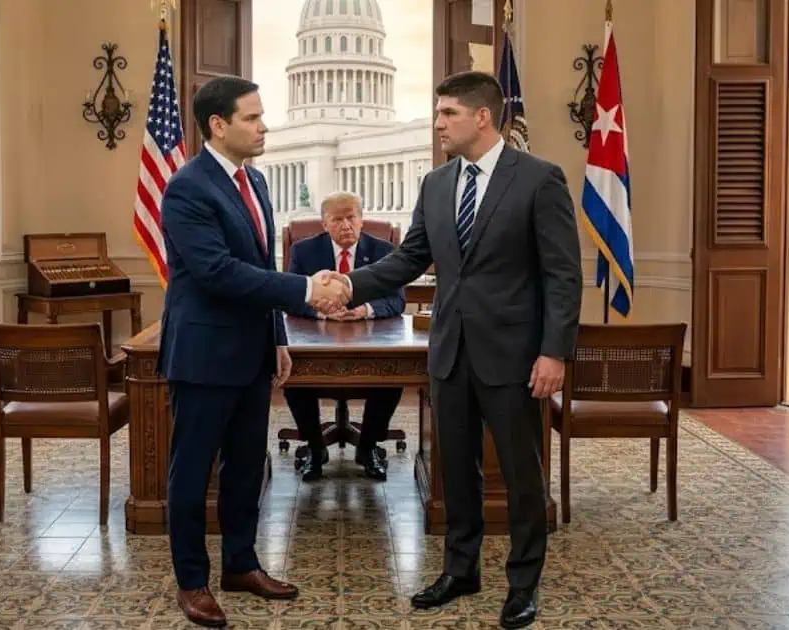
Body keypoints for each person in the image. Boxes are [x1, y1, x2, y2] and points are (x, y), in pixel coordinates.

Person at [318, 71, 581, 629]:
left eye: (447, 114)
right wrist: (349, 285)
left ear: (481, 116)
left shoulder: (539, 179)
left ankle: (523, 584)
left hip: (514, 357)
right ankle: (461, 571)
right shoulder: (436, 184)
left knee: (521, 475)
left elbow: (563, 275)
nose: (437, 124)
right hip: (450, 353)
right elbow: (408, 258)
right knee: (456, 472)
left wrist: (554, 352)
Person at [157, 75, 349, 628]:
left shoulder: (256, 181)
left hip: (252, 352)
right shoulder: (188, 188)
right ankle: (192, 581)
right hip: (204, 355)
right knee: (193, 472)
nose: (264, 126)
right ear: (218, 125)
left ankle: (241, 564)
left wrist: (278, 338)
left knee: (246, 467)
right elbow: (217, 272)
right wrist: (307, 289)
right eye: (252, 117)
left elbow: (262, 268)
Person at [283, 191, 405, 482]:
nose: (346, 225)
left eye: (352, 217)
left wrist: (365, 310)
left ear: (362, 220)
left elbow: (397, 300)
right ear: (324, 224)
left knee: (393, 373)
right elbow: (291, 299)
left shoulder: (384, 251)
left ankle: (368, 447)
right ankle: (315, 448)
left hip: (370, 340)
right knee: (293, 374)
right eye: (337, 219)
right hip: (317, 340)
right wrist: (323, 312)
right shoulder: (303, 251)